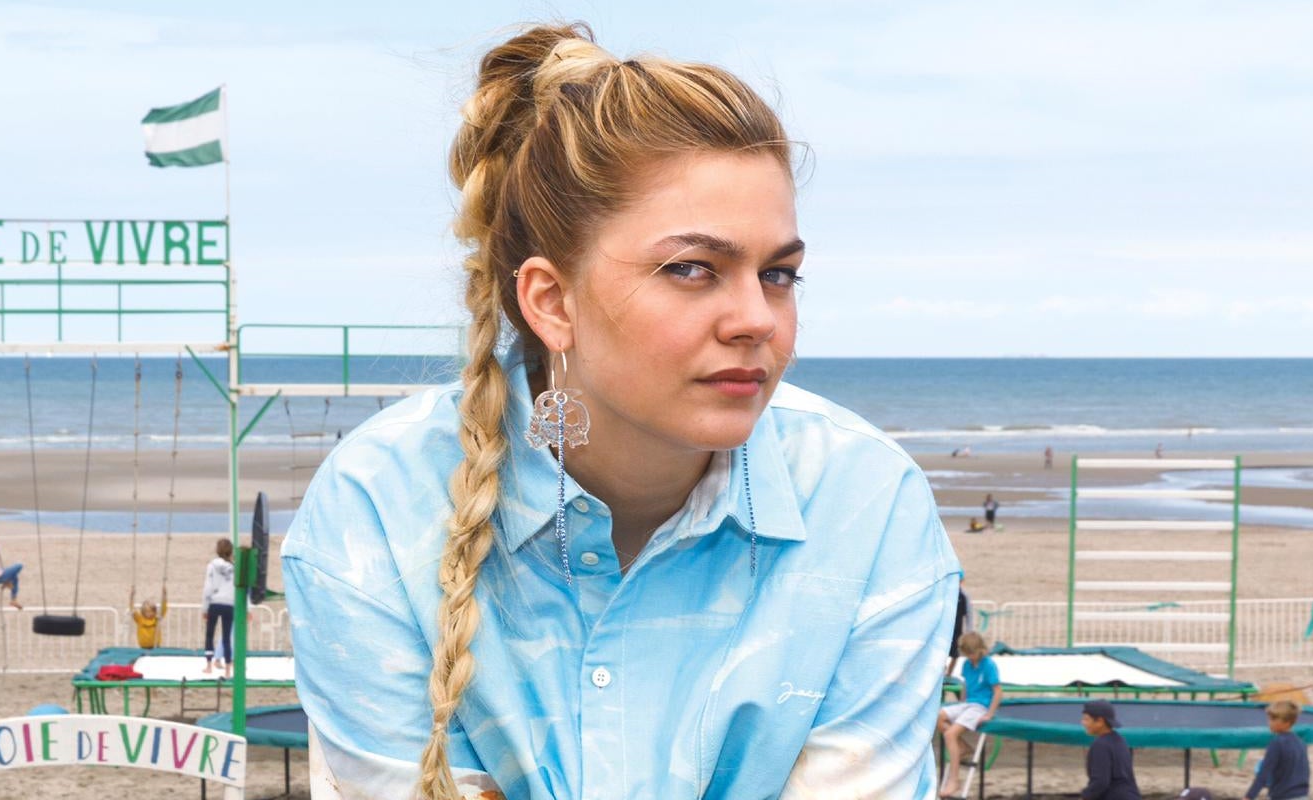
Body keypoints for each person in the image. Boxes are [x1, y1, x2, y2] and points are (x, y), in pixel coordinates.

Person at [281, 22, 961, 800]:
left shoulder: (866, 506)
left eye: (778, 274)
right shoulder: (376, 512)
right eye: (692, 269)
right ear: (551, 300)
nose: (756, 320)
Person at [938, 632, 1001, 797]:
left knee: (950, 735)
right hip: (968, 704)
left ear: (980, 650)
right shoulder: (967, 664)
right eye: (968, 654)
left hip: (980, 706)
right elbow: (966, 684)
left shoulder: (988, 665)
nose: (971, 657)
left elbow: (998, 691)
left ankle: (954, 780)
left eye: (973, 654)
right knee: (938, 716)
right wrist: (961, 703)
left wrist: (990, 714)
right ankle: (964, 748)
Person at [1246, 700, 1309, 800]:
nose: (1269, 723)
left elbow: (1264, 773)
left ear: (1287, 722)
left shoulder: (1277, 743)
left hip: (1282, 795)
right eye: (1270, 719)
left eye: (1273, 719)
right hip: (1302, 795)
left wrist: (1249, 796)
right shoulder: (1301, 742)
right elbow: (1304, 772)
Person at [1080, 699, 1141, 799]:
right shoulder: (1120, 740)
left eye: (1086, 719)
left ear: (1100, 721)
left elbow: (1100, 781)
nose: (1083, 723)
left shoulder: (1100, 745)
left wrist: (1086, 796)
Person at [200, 538, 235, 676]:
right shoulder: (234, 567)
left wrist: (204, 608)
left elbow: (208, 587)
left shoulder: (212, 566)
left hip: (214, 602)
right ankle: (227, 668)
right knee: (226, 636)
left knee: (210, 635)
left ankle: (209, 665)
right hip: (229, 604)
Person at [946, 575, 972, 676]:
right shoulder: (946, 594)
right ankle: (942, 672)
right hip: (945, 631)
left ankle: (948, 674)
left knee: (955, 655)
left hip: (957, 631)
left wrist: (969, 631)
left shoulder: (963, 596)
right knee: (943, 654)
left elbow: (969, 615)